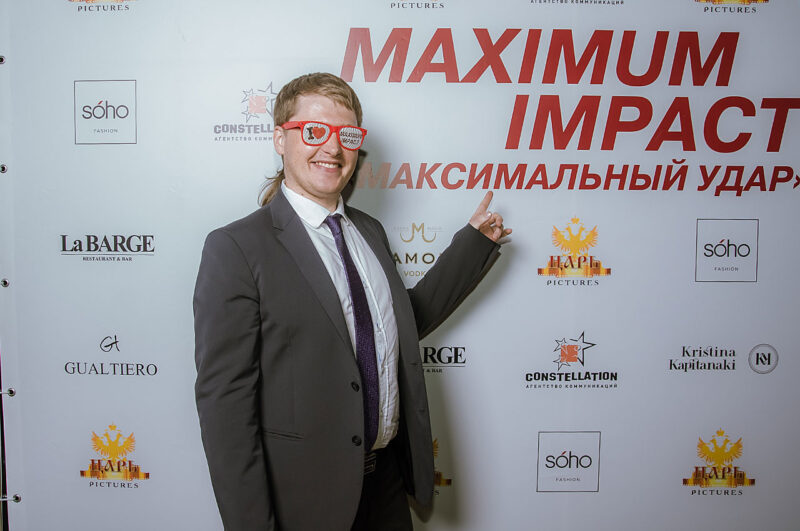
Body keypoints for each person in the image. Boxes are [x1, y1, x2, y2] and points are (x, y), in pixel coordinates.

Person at [194, 72, 511, 531]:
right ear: (281, 139)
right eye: (313, 131)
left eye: (346, 135)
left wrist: (473, 245)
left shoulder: (368, 231)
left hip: (385, 487)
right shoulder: (237, 248)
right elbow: (225, 407)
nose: (332, 148)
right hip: (302, 499)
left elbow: (397, 327)